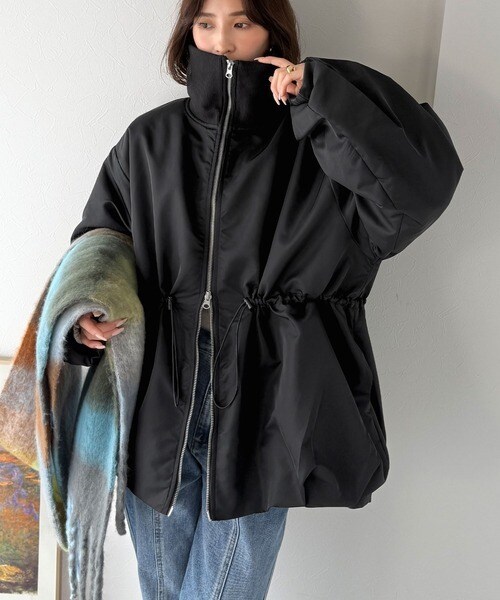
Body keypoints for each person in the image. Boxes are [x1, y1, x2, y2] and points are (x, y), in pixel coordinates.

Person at [63, 0, 464, 597]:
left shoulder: (317, 141)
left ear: (272, 32)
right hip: (157, 396)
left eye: (241, 23)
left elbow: (416, 188)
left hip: (267, 397)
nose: (222, 41)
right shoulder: (150, 139)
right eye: (206, 23)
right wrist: (83, 315)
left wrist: (324, 95)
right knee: (160, 590)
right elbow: (101, 244)